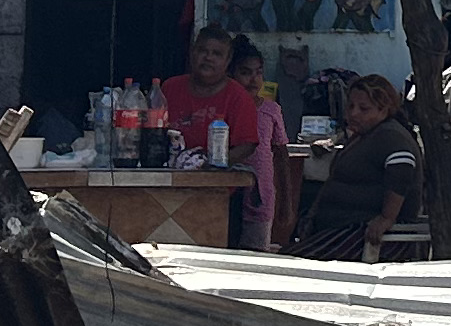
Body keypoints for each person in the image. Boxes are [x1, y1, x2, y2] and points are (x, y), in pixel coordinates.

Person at [297, 69, 423, 261]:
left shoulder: (391, 136)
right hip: (338, 228)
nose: (353, 113)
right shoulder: (363, 135)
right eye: (351, 106)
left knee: (297, 262)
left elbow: (401, 171)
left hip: (366, 234)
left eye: (364, 109)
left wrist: (386, 218)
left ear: (384, 110)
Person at [155, 25, 256, 168]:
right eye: (202, 51)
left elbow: (246, 146)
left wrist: (210, 165)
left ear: (228, 60)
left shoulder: (238, 97)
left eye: (217, 54)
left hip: (216, 182)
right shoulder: (169, 88)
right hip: (170, 178)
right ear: (192, 52)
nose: (208, 58)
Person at [225, 39, 291, 245]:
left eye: (259, 72)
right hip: (227, 194)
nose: (253, 79)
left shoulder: (270, 110)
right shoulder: (225, 107)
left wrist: (286, 203)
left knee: (255, 256)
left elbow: (281, 155)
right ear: (230, 75)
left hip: (261, 197)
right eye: (245, 72)